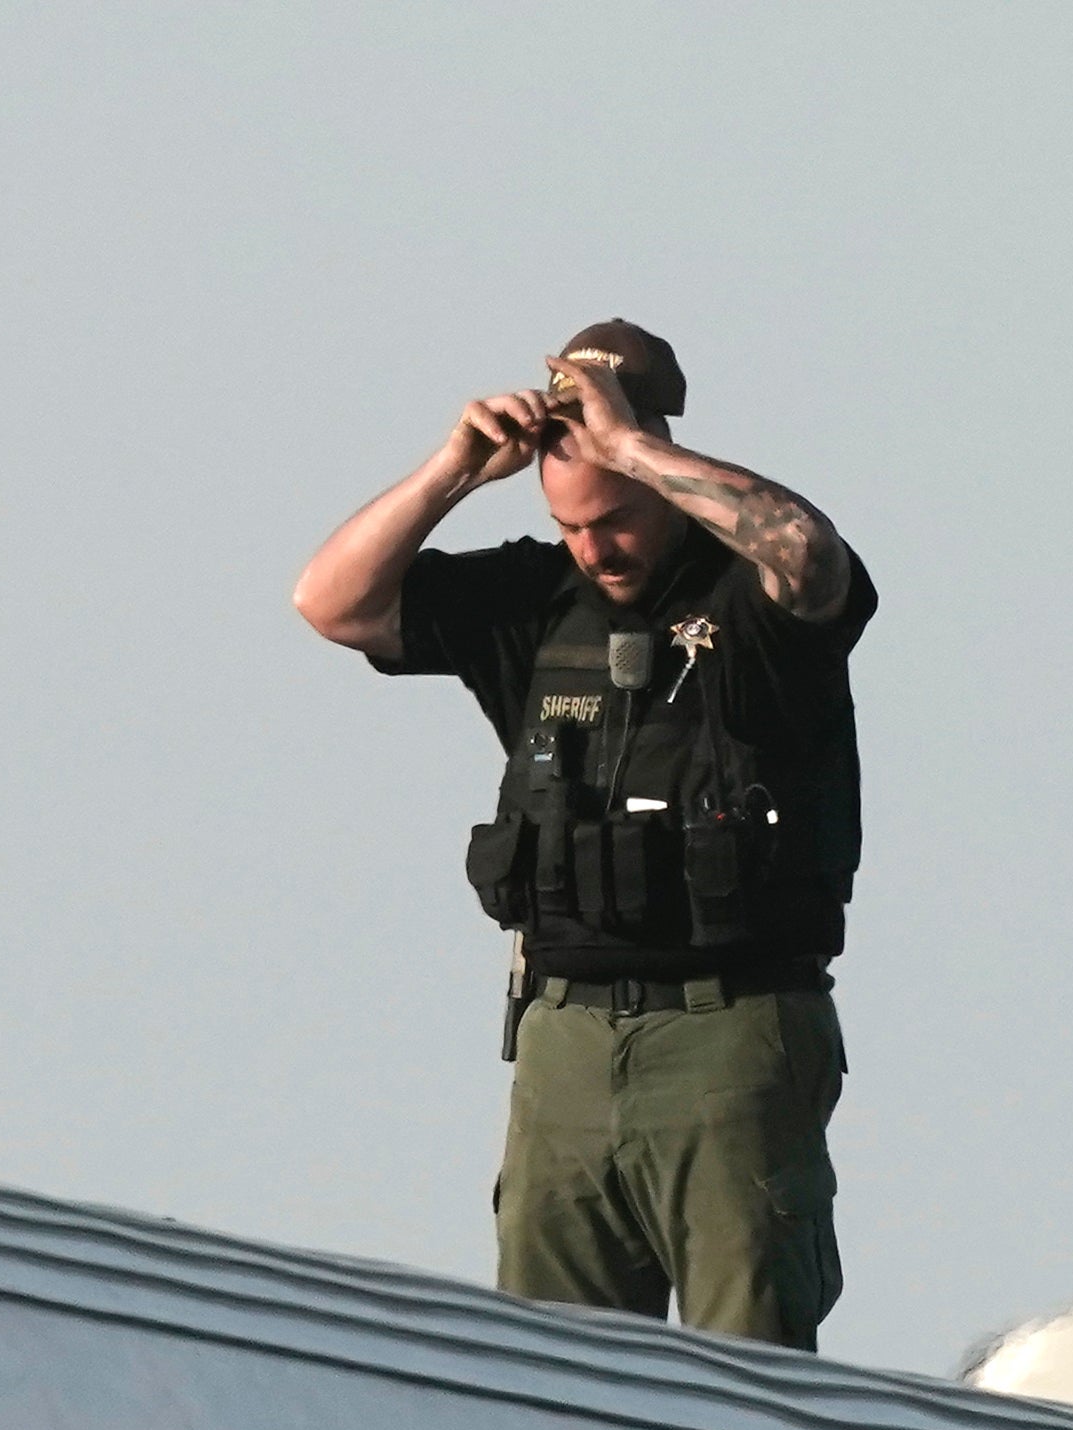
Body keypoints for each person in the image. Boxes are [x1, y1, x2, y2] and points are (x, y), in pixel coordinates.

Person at [292, 321, 872, 1348]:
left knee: (750, 1383)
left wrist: (631, 448)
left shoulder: (749, 605)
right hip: (562, 1039)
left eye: (613, 517)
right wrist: (453, 471)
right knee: (549, 1375)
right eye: (570, 526)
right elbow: (330, 603)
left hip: (725, 1037)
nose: (593, 548)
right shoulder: (532, 599)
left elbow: (810, 561)